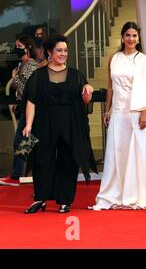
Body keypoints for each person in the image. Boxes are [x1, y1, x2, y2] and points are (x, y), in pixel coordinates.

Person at [21, 34, 97, 213]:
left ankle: (65, 200)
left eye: (65, 50)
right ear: (49, 52)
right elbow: (31, 101)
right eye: (59, 50)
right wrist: (28, 124)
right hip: (44, 123)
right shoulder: (38, 76)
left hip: (70, 123)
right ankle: (40, 198)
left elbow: (85, 101)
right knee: (42, 160)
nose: (63, 54)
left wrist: (87, 93)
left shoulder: (76, 75)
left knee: (67, 161)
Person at [90, 22, 146, 210]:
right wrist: (107, 109)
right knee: (117, 152)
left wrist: (145, 112)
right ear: (122, 37)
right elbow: (111, 86)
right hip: (119, 112)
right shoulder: (114, 58)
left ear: (138, 39)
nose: (131, 39)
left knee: (138, 153)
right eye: (128, 35)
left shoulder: (143, 59)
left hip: (137, 111)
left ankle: (137, 194)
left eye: (134, 36)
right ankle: (115, 193)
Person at [0, 35, 39, 187]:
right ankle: (18, 174)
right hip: (26, 107)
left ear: (27, 48)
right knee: (24, 142)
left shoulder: (31, 65)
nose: (16, 49)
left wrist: (15, 78)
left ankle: (17, 175)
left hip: (33, 109)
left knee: (22, 141)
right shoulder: (21, 65)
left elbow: (28, 88)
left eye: (18, 46)